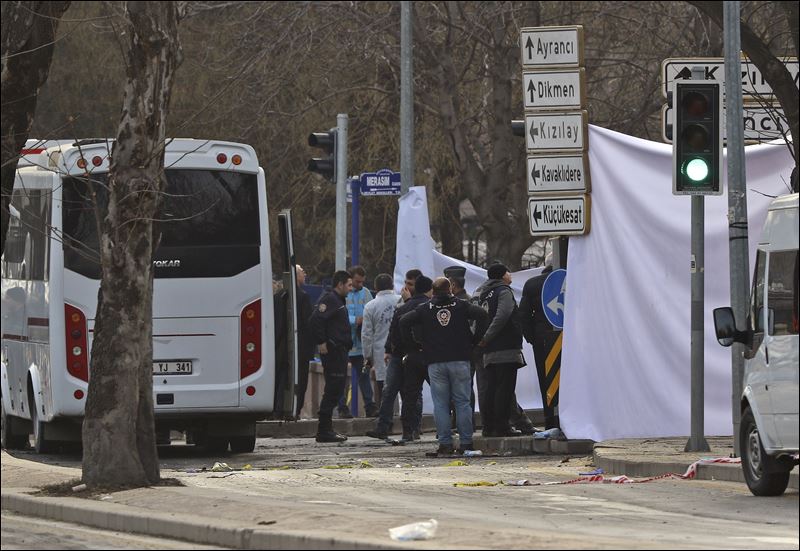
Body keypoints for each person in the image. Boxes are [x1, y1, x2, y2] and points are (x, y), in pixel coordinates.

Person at [401, 277, 488, 456]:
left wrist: (414, 345)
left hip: (435, 361)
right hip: (460, 359)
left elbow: (403, 321)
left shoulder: (425, 309)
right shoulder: (462, 305)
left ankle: (445, 444)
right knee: (463, 402)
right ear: (450, 290)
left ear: (433, 292)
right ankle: (466, 443)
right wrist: (475, 341)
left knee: (440, 404)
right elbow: (482, 315)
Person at [366, 274, 432, 442]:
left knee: (407, 393)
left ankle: (407, 429)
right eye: (406, 283)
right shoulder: (407, 304)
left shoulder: (405, 305)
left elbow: (393, 330)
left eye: (411, 284)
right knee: (404, 392)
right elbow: (393, 331)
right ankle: (405, 429)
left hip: (405, 354)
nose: (407, 287)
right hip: (407, 354)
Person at [478, 263, 527, 437]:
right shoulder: (503, 291)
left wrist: (482, 339)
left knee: (491, 388)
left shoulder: (484, 293)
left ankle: (489, 426)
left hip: (489, 350)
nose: (510, 275)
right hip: (505, 347)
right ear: (502, 275)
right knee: (504, 389)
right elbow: (503, 315)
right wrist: (487, 336)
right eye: (508, 271)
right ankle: (502, 426)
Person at [310, 270, 353, 443]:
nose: (350, 289)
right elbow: (315, 320)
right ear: (340, 284)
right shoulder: (330, 299)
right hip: (334, 353)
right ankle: (324, 430)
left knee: (336, 390)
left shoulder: (338, 301)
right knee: (333, 390)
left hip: (340, 352)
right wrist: (321, 342)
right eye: (348, 285)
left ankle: (326, 428)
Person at [519, 252, 560, 429]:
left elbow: (523, 316)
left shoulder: (532, 284)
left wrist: (532, 339)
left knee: (546, 381)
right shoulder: (568, 279)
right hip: (567, 340)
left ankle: (549, 419)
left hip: (542, 340)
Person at [273, 264, 315, 419]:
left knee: (281, 377)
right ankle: (295, 410)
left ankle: (277, 409)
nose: (305, 274)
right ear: (295, 276)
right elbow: (307, 322)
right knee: (300, 378)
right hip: (300, 346)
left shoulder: (277, 297)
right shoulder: (302, 297)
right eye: (302, 272)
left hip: (279, 345)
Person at [338, 265, 377, 418]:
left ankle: (370, 407)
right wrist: (355, 320)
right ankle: (342, 408)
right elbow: (339, 316)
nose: (360, 285)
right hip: (345, 343)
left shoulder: (366, 293)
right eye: (357, 281)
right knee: (341, 377)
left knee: (364, 377)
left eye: (362, 282)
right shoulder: (343, 294)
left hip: (361, 346)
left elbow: (372, 312)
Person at [361, 273, 400, 409]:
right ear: (392, 285)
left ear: (375, 287)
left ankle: (385, 420)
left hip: (380, 353)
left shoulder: (370, 306)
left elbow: (366, 335)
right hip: (401, 352)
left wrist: (367, 357)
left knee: (384, 388)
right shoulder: (401, 301)